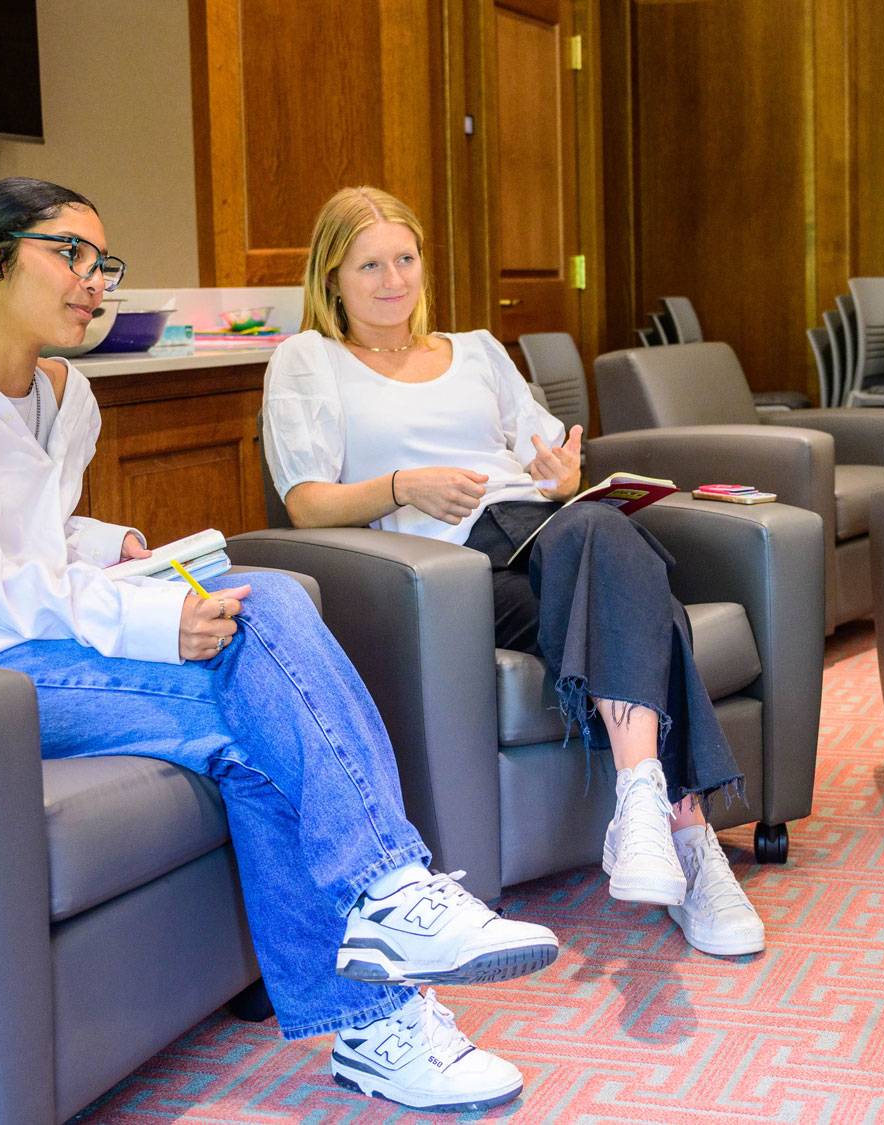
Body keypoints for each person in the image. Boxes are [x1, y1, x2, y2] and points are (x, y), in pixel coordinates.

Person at [0, 178, 561, 1114]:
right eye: (69, 254)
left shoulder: (63, 392)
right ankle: (388, 916)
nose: (93, 281)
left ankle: (375, 1006)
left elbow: (25, 534)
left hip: (9, 639)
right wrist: (143, 616)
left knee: (262, 600)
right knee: (262, 699)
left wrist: (111, 547)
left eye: (102, 262)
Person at [261, 186, 765, 959]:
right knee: (636, 587)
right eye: (370, 265)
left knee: (596, 528)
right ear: (332, 277)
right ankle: (685, 834)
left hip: (543, 530)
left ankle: (653, 817)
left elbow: (547, 459)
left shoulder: (477, 351)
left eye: (405, 258)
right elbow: (304, 502)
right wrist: (403, 484)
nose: (394, 279)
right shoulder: (309, 360)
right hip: (455, 572)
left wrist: (564, 473)